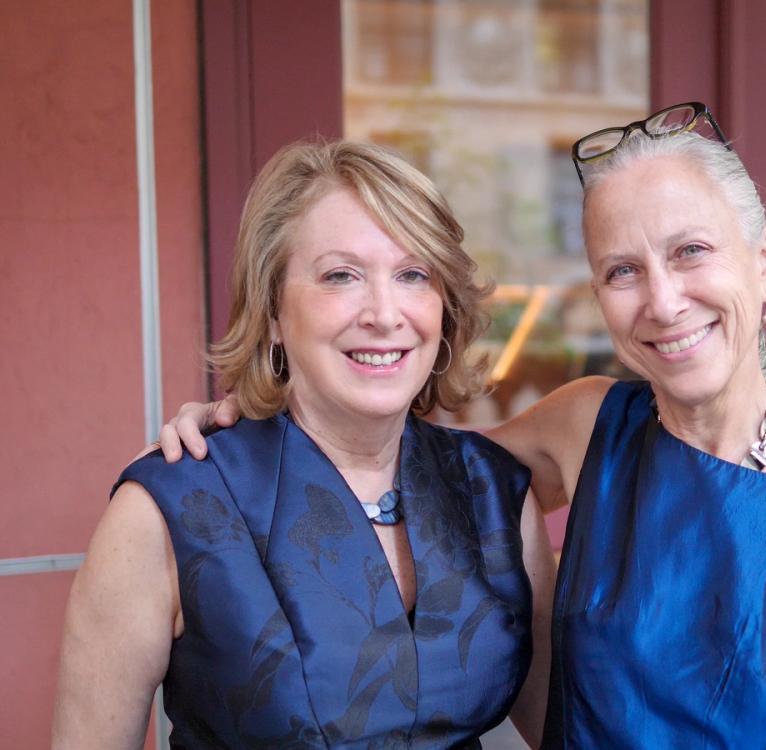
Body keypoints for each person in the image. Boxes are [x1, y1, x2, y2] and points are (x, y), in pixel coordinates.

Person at [158, 104, 766, 749]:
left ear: (765, 260)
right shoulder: (589, 423)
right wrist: (249, 420)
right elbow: (385, 470)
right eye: (622, 271)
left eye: (692, 252)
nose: (663, 301)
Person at [52, 141, 555, 749]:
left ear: (443, 308)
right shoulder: (167, 509)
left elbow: (564, 727)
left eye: (413, 274)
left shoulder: (495, 496)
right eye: (340, 275)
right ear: (272, 311)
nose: (384, 312)